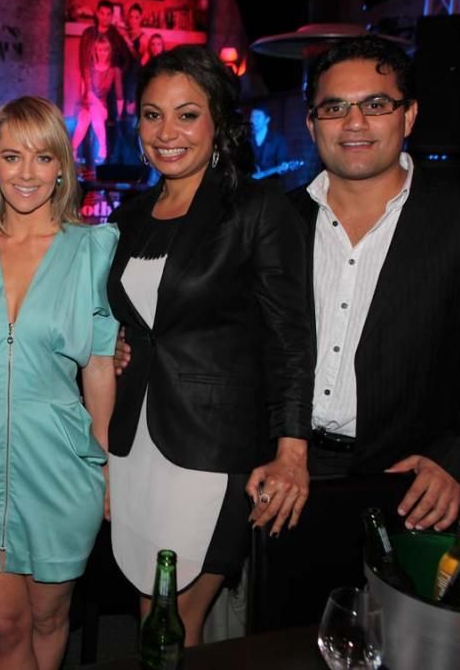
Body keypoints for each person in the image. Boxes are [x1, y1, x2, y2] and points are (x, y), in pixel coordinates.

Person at [289, 35, 460, 529]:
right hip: (285, 471)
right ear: (312, 123)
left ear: (408, 116)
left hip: (413, 480)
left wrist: (459, 457)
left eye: (375, 105)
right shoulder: (277, 219)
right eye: (334, 107)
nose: (354, 122)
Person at [106, 45, 314, 646]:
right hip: (135, 441)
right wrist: (116, 343)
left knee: (174, 622)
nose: (166, 132)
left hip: (213, 447)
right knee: (152, 614)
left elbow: (291, 339)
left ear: (218, 122)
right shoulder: (131, 215)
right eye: (152, 115)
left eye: (187, 115)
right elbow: (133, 316)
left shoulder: (256, 208)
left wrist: (291, 452)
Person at [0, 96, 117, 669]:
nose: (26, 173)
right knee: (3, 625)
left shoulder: (92, 249)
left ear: (62, 168)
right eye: (11, 156)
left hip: (62, 464)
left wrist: (106, 466)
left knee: (47, 619)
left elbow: (98, 365)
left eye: (43, 157)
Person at [71, 35, 124, 165]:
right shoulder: (88, 68)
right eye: (100, 50)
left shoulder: (114, 71)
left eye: (105, 50)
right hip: (88, 105)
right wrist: (91, 104)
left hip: (103, 108)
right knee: (84, 119)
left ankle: (81, 149)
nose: (102, 53)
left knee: (95, 113)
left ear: (109, 51)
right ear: (95, 51)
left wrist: (119, 115)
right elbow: (88, 91)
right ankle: (80, 150)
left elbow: (119, 95)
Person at [249, 106, 291, 179]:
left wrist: (283, 168)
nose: (253, 120)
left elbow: (282, 162)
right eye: (252, 117)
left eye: (258, 117)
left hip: (271, 183)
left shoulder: (278, 140)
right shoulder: (246, 139)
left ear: (267, 120)